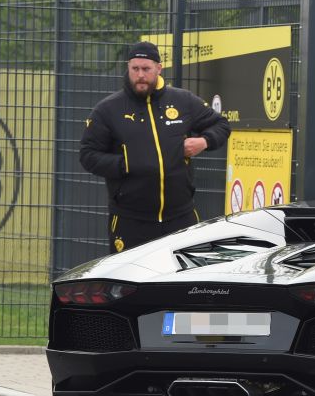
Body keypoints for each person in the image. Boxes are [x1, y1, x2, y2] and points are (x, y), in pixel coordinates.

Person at [80, 41, 231, 254]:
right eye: (135, 69)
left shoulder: (183, 101)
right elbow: (87, 155)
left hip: (181, 217)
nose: (140, 75)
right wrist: (124, 164)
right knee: (130, 283)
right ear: (128, 68)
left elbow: (221, 125)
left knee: (182, 282)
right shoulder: (108, 109)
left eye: (146, 69)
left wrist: (204, 141)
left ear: (158, 69)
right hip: (130, 220)